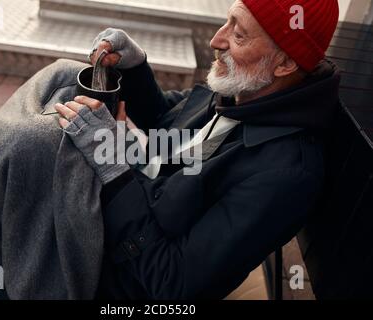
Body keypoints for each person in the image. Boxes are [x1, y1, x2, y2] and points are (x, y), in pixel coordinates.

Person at [54, 0, 341, 299]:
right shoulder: (247, 91)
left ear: (285, 63)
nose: (216, 40)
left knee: (27, 150)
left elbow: (171, 282)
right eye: (227, 21)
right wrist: (134, 67)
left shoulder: (286, 176)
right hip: (114, 218)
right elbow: (168, 122)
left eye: (239, 35)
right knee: (61, 78)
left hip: (114, 279)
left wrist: (113, 167)